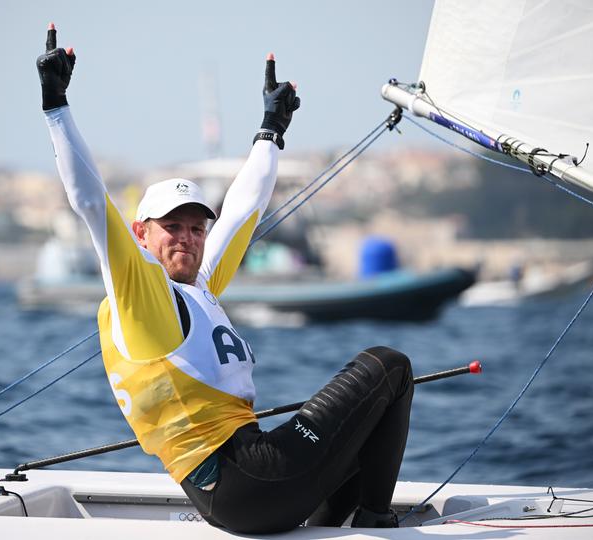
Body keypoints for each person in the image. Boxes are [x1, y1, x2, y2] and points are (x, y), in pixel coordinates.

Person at [37, 23, 413, 533]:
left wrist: (270, 130)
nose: (187, 238)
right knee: (388, 367)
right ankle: (376, 523)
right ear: (140, 234)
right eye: (171, 227)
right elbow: (89, 201)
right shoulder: (142, 297)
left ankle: (327, 529)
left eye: (195, 228)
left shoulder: (198, 290)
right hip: (249, 476)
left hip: (244, 492)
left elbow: (243, 207)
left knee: (363, 432)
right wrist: (56, 106)